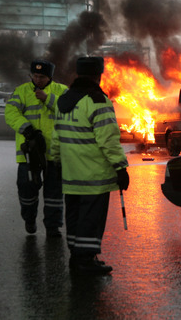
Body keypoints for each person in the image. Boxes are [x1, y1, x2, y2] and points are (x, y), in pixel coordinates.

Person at [53, 56, 129, 274]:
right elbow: (108, 140)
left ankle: (77, 257)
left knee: (75, 217)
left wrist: (56, 160)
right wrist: (120, 167)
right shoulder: (97, 100)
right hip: (94, 176)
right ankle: (85, 262)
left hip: (71, 175)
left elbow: (56, 136)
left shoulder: (64, 100)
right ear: (99, 75)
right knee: (91, 219)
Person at [5, 59, 68, 237]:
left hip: (55, 153)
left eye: (42, 77)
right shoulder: (21, 91)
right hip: (29, 153)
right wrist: (27, 129)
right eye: (35, 75)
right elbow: (10, 113)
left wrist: (49, 99)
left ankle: (53, 227)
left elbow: (70, 111)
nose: (38, 79)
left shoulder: (61, 91)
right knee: (26, 188)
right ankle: (29, 218)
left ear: (50, 77)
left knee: (54, 194)